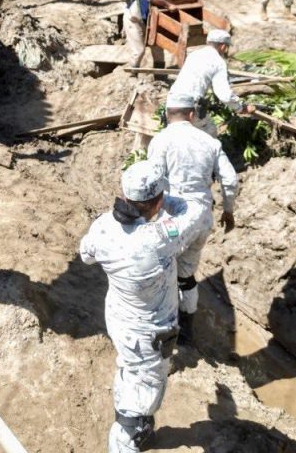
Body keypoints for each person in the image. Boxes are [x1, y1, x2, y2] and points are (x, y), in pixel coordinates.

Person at [80, 159, 207, 453]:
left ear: (124, 196)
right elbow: (196, 211)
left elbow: (86, 254)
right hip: (150, 333)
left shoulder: (103, 226)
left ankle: (136, 423)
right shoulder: (160, 238)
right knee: (146, 387)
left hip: (120, 317)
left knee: (130, 368)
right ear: (157, 201)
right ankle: (128, 436)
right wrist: (165, 201)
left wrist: (152, 202)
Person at [147, 92, 237, 346]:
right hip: (202, 217)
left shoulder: (161, 141)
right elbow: (230, 180)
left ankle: (163, 329)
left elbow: (153, 181)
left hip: (173, 219)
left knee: (160, 269)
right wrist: (228, 210)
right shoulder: (210, 142)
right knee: (186, 275)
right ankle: (187, 332)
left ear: (167, 115)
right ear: (191, 114)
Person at [167, 29, 247, 136]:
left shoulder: (193, 55)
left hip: (171, 102)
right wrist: (241, 108)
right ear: (223, 46)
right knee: (210, 135)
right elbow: (225, 96)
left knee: (178, 136)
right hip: (190, 105)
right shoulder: (218, 62)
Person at [124, 0, 179, 68]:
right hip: (134, 20)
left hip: (148, 21)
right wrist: (169, 5)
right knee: (139, 50)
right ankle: (133, 74)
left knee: (158, 47)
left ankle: (160, 76)